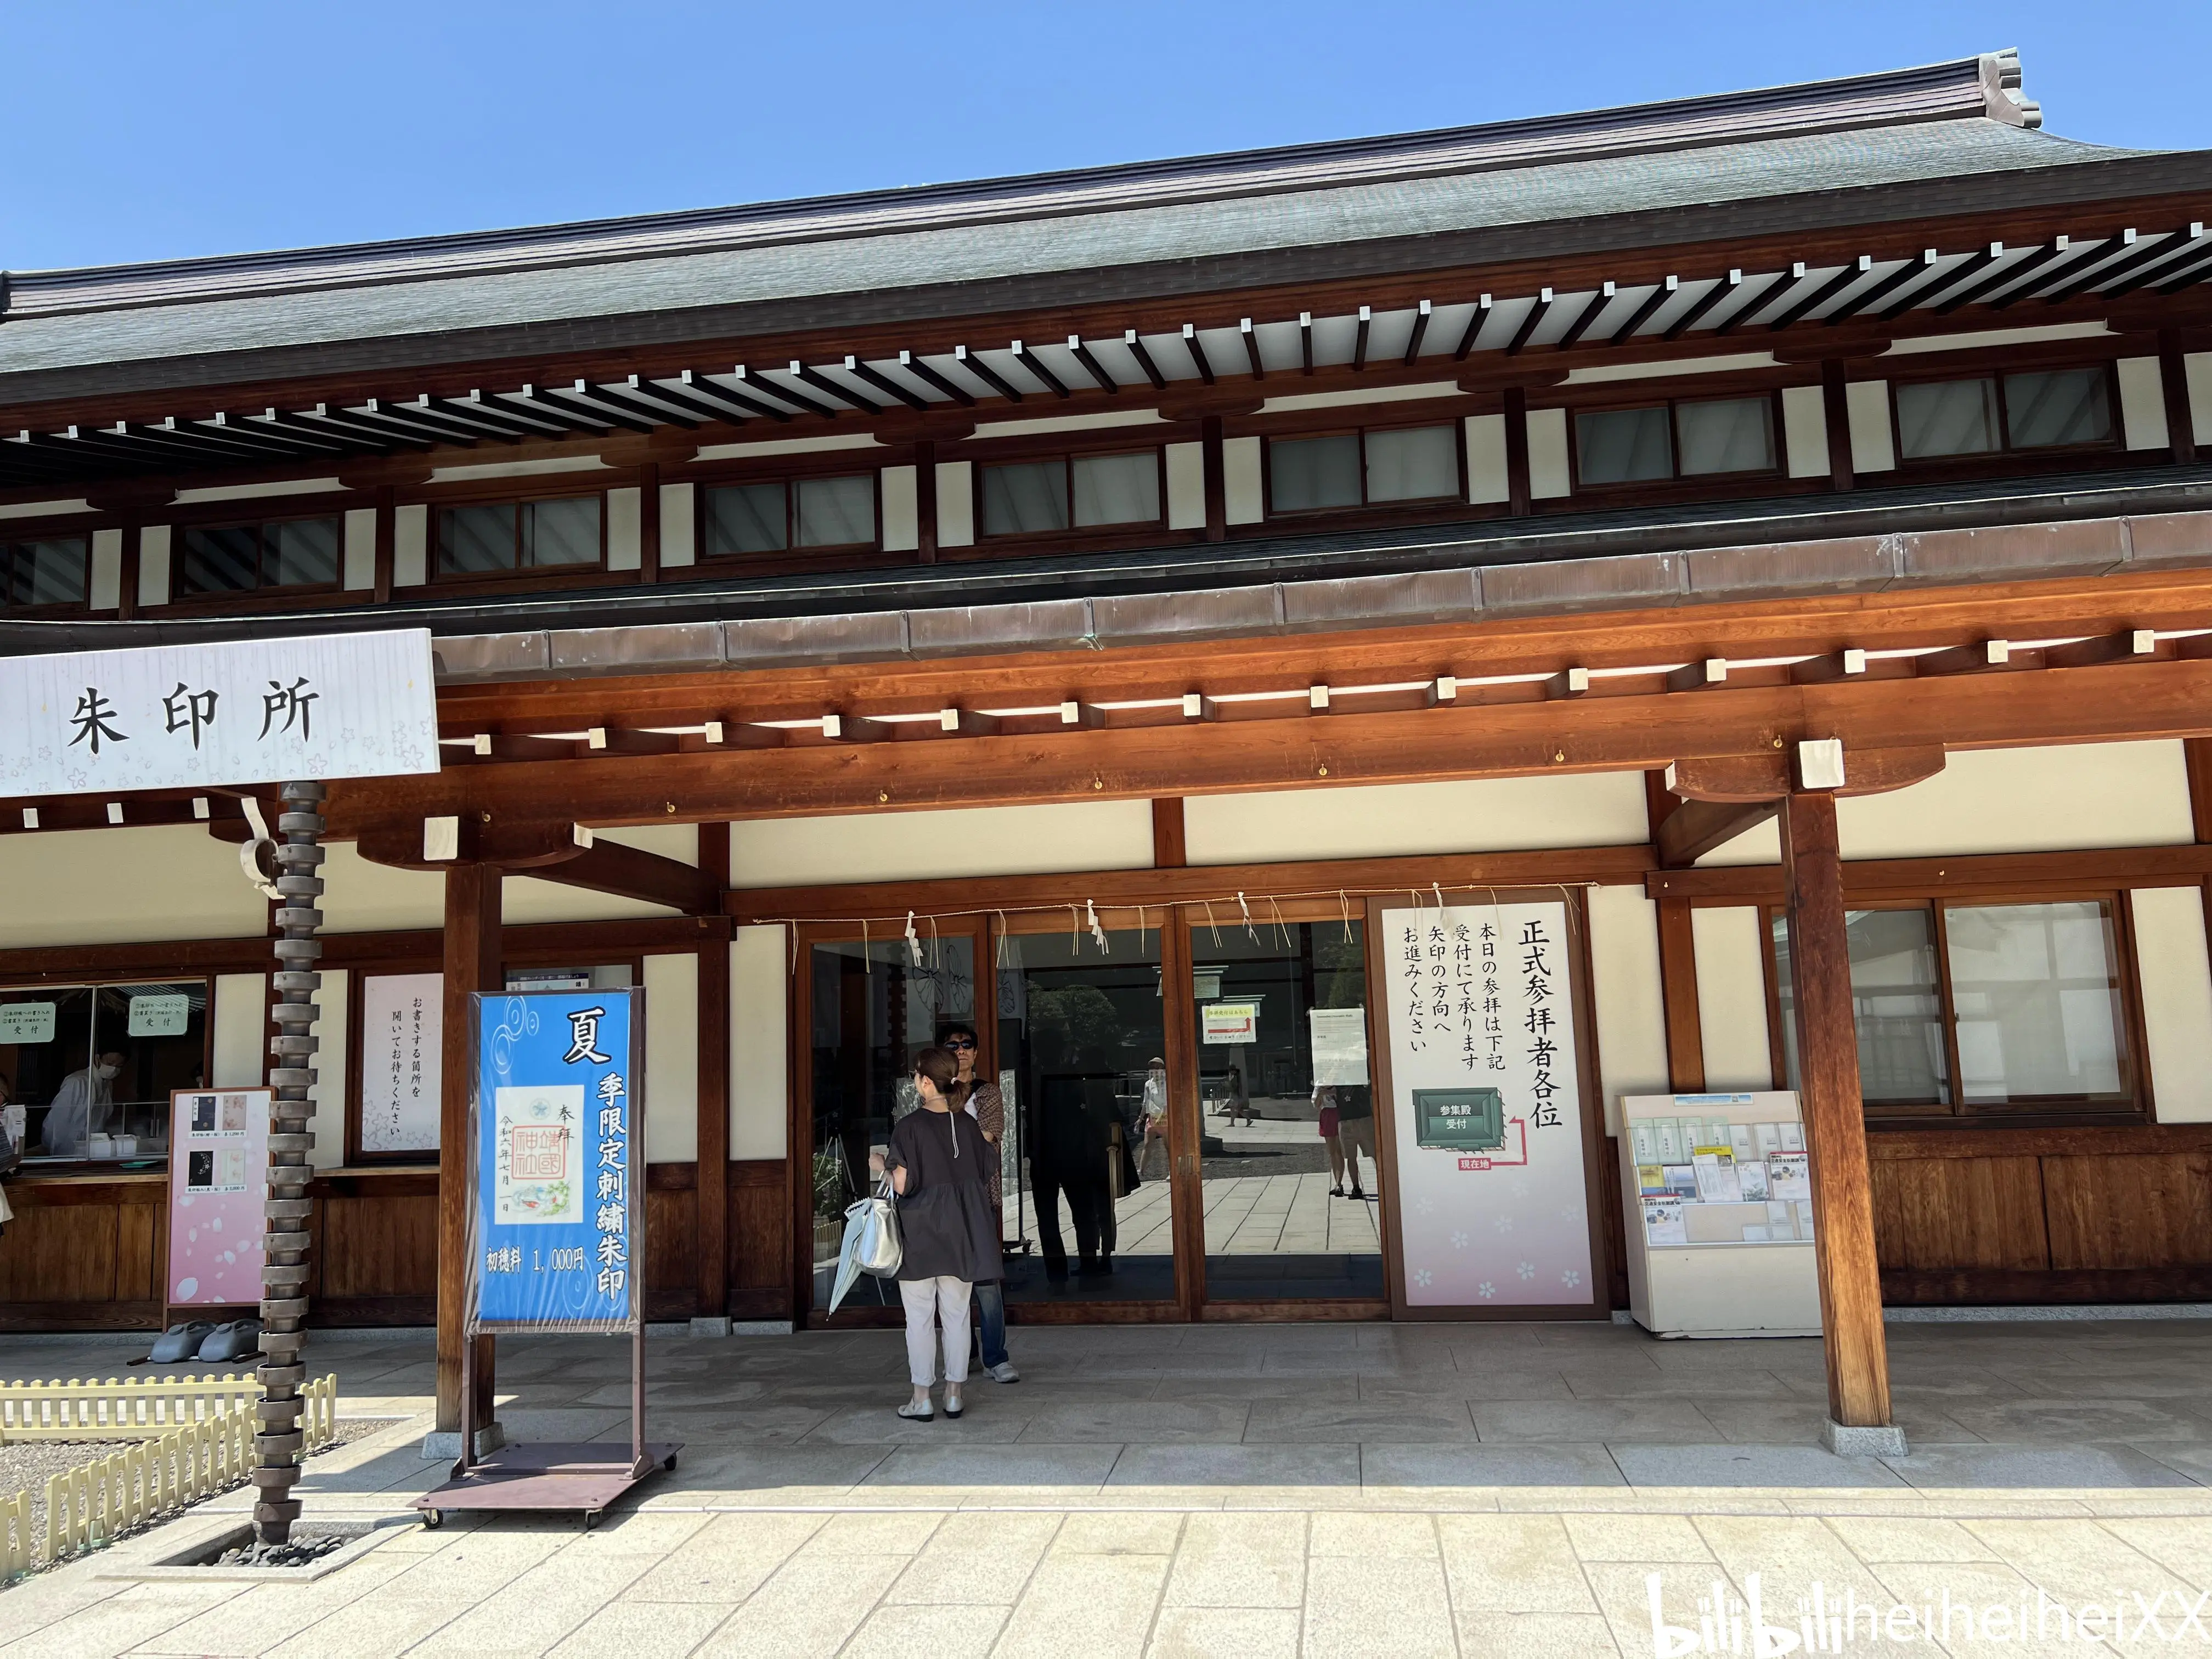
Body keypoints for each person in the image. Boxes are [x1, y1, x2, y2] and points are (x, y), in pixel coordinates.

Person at [871, 1047, 1000, 1421]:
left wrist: (881, 1165)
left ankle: (921, 1398)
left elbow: (903, 1183)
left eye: (916, 1075)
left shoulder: (909, 1127)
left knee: (920, 1318)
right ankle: (955, 1394)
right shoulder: (969, 1124)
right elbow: (986, 1163)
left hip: (921, 1232)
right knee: (958, 1316)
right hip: (964, 1232)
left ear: (926, 1082)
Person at [940, 1022, 1018, 1385]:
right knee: (952, 1280)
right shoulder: (934, 1091)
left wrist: (947, 1138)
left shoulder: (988, 1093)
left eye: (967, 1044)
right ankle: (965, 1353)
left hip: (980, 1197)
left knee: (986, 1280)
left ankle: (995, 1357)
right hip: (940, 1200)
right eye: (953, 1045)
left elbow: (989, 1137)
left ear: (977, 1052)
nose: (961, 1050)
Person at [43, 1051, 121, 1159]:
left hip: (94, 1151)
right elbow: (55, 1122)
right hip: (66, 1150)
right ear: (97, 1059)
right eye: (110, 1063)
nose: (114, 1069)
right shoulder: (77, 1082)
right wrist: (49, 1148)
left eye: (119, 1066)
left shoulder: (108, 1085)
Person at [1336, 1084, 1376, 1201]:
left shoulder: (1360, 1077)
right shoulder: (1339, 1081)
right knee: (1351, 1156)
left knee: (1372, 1154)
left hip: (1358, 1119)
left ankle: (1358, 1188)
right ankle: (1356, 1187)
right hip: (1352, 1119)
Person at [1136, 1057, 1169, 1180]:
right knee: (1147, 1145)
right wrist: (1141, 1118)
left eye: (1158, 1067)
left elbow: (1168, 1102)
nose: (1155, 1069)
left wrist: (1163, 1116)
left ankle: (1171, 1172)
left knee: (1168, 1146)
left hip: (1165, 1118)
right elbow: (1146, 1102)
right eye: (1153, 1067)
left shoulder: (1167, 1083)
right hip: (1153, 1118)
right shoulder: (1148, 1084)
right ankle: (1142, 1172)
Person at [1315, 1084, 1346, 1196]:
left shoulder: (1338, 1086)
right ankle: (1336, 1182)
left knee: (1339, 1151)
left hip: (1338, 1114)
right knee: (1332, 1152)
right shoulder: (1319, 1087)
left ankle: (1339, 1183)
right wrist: (1321, 1093)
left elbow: (1343, 1101)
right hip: (1327, 1115)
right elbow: (1316, 1105)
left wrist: (1333, 1093)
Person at [1223, 1064, 1254, 1128]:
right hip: (1237, 1095)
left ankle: (1233, 1123)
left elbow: (1234, 1087)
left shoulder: (1235, 1078)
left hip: (1235, 1096)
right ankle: (1248, 1119)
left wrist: (1228, 1086)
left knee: (1234, 1109)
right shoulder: (1236, 1077)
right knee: (1239, 1109)